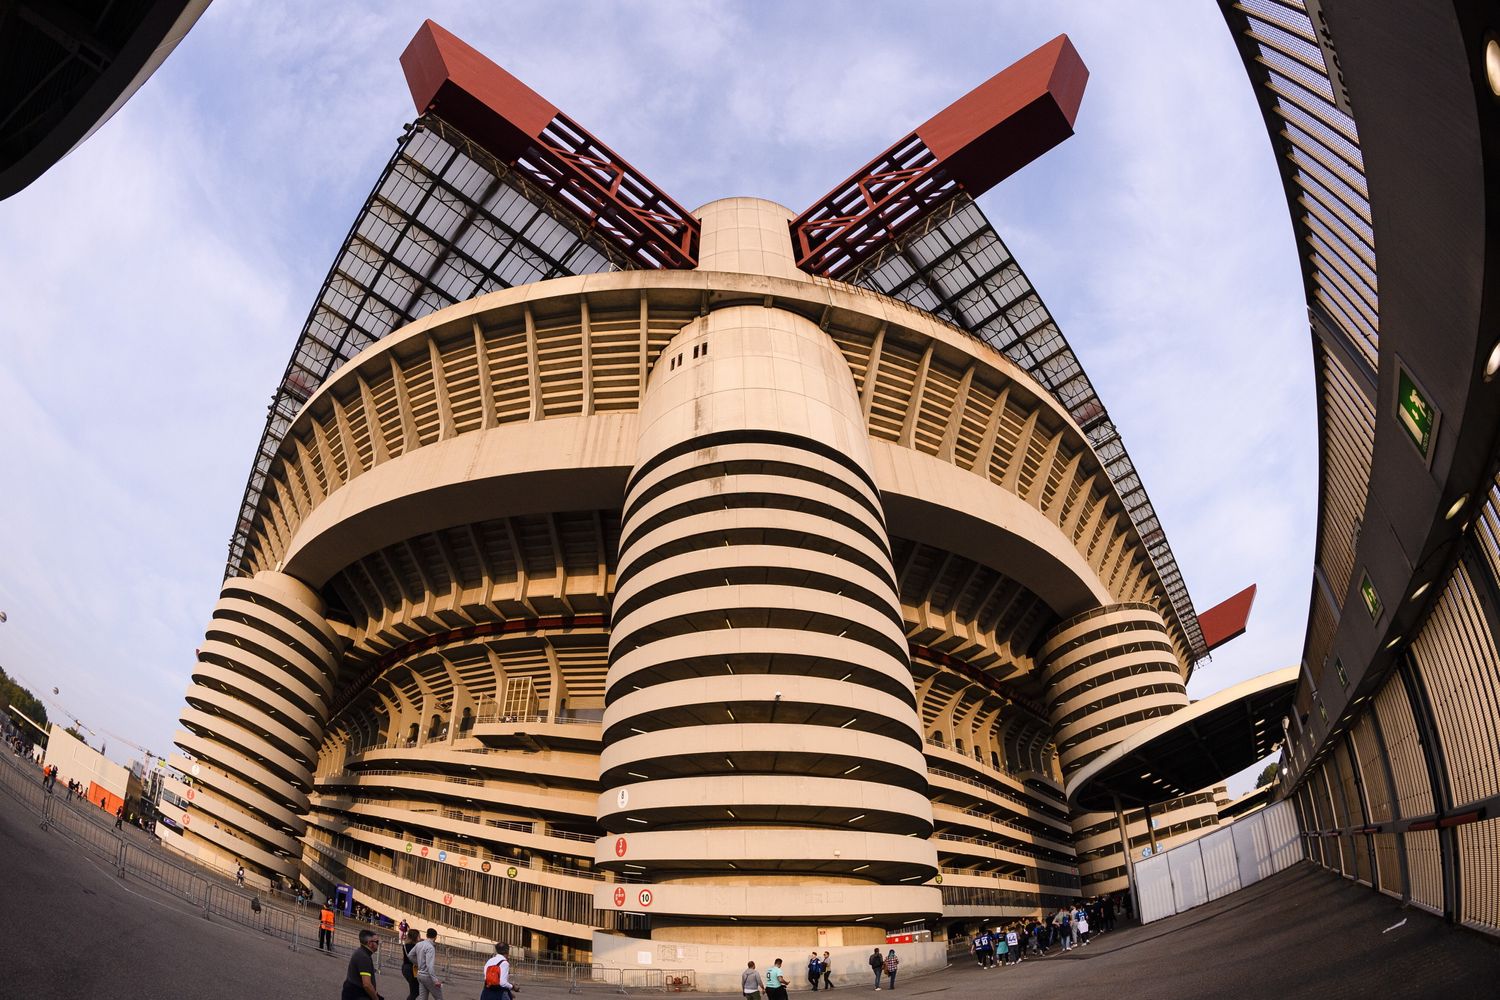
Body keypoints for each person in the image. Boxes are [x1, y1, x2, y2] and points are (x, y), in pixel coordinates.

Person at [342, 928, 383, 1000]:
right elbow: (367, 984)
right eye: (377, 942)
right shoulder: (364, 957)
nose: (378, 944)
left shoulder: (362, 952)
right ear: (370, 943)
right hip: (357, 995)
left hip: (354, 992)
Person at [411, 927, 444, 1000]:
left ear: (426, 935)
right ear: (435, 937)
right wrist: (435, 980)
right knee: (439, 997)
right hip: (427, 976)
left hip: (420, 974)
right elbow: (430, 966)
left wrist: (417, 963)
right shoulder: (430, 947)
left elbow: (410, 955)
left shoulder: (419, 944)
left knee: (423, 998)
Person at [401, 929, 420, 1000]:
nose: (420, 937)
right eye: (419, 936)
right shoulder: (414, 947)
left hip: (405, 967)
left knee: (415, 990)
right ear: (415, 937)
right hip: (411, 969)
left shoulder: (406, 945)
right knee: (415, 991)